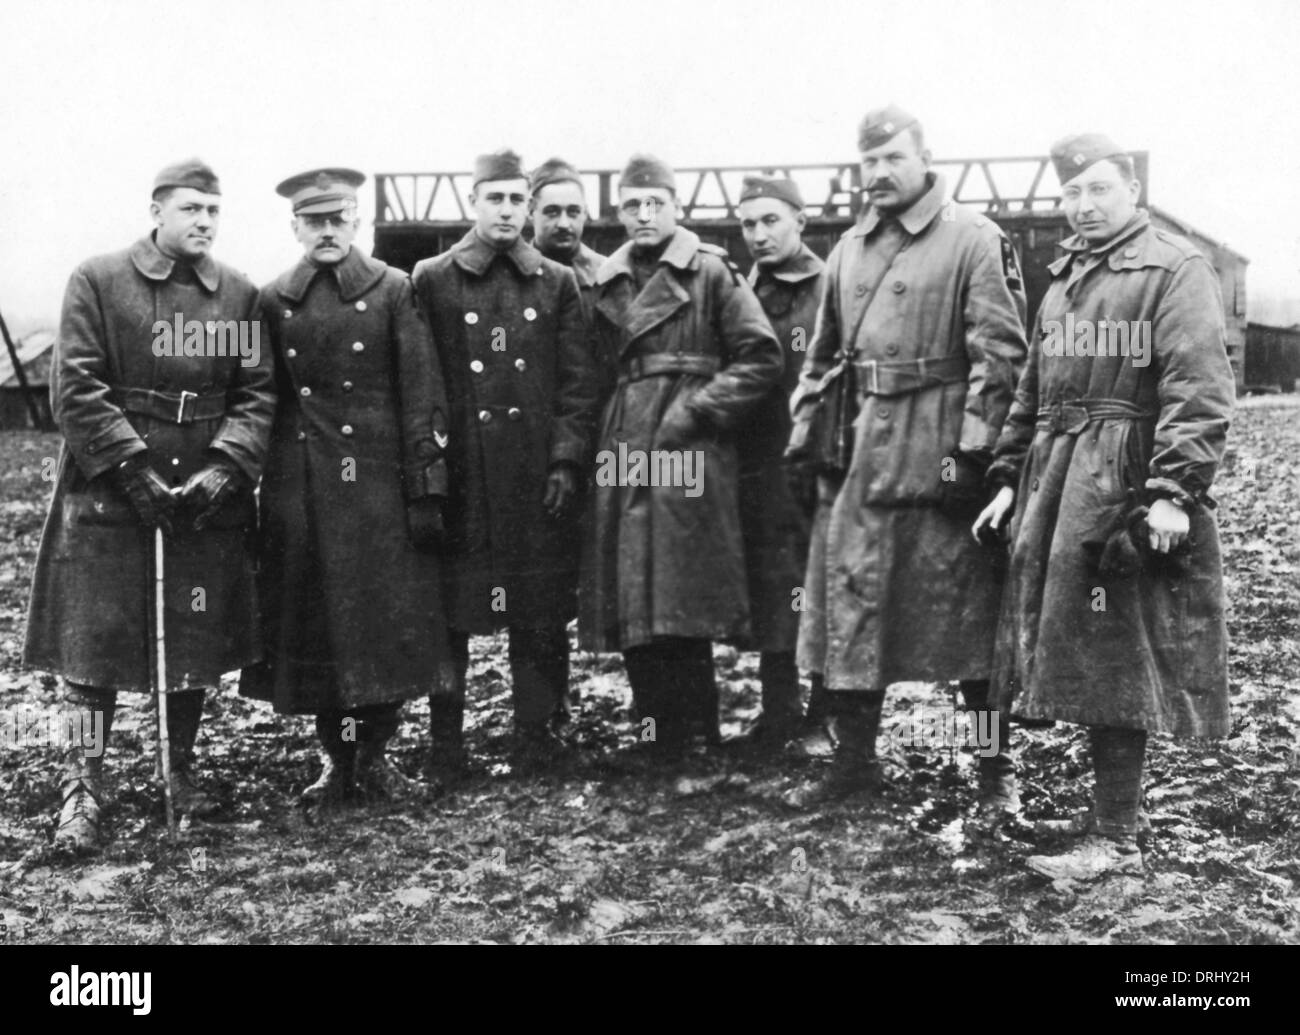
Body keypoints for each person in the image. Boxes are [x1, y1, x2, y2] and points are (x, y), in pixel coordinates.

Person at [974, 133, 1235, 879]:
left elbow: (1199, 385)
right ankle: (1104, 820)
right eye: (1071, 194)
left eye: (1097, 190)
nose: (1082, 206)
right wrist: (1003, 475)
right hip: (1055, 477)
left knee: (1119, 644)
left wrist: (1173, 491)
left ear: (1132, 191)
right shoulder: (1064, 281)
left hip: (1121, 479)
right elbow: (1031, 388)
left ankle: (1117, 837)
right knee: (1076, 644)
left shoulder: (1174, 267)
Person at [25, 159, 275, 852]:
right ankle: (82, 786)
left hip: (200, 498)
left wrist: (227, 467)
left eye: (213, 211)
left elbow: (258, 393)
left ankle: (179, 770)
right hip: (108, 494)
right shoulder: (100, 281)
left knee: (190, 633)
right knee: (90, 644)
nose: (203, 221)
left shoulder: (238, 297)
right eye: (191, 208)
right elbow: (75, 384)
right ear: (156, 211)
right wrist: (131, 469)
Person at [785, 107, 1028, 811]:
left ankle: (993, 772)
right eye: (868, 161)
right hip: (862, 455)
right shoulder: (849, 249)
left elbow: (1001, 358)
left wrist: (975, 456)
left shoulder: (975, 239)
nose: (879, 173)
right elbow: (823, 353)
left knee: (971, 628)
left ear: (926, 158)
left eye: (893, 157)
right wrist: (806, 431)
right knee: (856, 609)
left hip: (940, 452)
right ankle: (856, 764)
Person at [240, 168, 452, 808]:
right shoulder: (272, 300)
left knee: (380, 625)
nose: (327, 231)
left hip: (378, 493)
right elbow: (259, 399)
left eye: (339, 219)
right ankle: (336, 760)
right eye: (314, 221)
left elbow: (424, 394)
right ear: (296, 227)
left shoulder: (394, 290)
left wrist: (426, 487)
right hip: (302, 493)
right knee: (317, 630)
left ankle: (379, 755)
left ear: (356, 222)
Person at [580, 153, 783, 759]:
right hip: (623, 440)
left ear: (677, 206)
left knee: (680, 590)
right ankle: (654, 736)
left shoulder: (711, 273)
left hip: (685, 443)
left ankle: (697, 737)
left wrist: (697, 410)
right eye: (632, 206)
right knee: (634, 590)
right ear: (618, 212)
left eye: (655, 203)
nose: (644, 215)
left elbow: (761, 358)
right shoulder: (602, 279)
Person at [411, 150, 598, 776]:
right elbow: (423, 383)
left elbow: (577, 385)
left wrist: (567, 463)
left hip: (530, 476)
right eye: (496, 199)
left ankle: (538, 733)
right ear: (474, 202)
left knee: (540, 609)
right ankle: (446, 744)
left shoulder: (554, 280)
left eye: (519, 200)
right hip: (464, 474)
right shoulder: (433, 278)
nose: (508, 211)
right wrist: (430, 476)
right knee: (451, 615)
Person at [734, 175, 826, 753]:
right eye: (749, 224)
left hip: (817, 461)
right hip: (758, 461)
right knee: (772, 586)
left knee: (820, 586)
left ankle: (825, 717)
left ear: (800, 222)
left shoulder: (832, 286)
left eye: (771, 221)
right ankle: (778, 713)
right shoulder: (742, 288)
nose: (760, 234)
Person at [529, 157, 606, 324]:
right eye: (552, 212)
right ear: (531, 212)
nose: (564, 224)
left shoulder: (607, 275)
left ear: (585, 213)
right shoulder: (510, 273)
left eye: (573, 212)